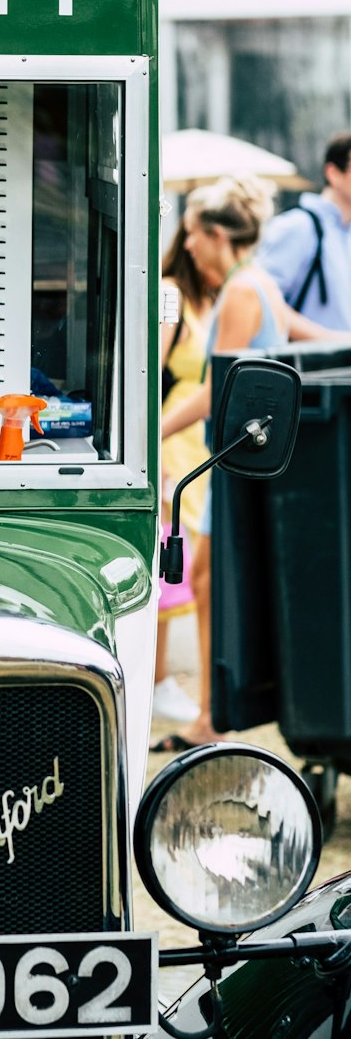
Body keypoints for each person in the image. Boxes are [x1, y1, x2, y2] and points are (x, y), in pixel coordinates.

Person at [154, 176, 332, 751]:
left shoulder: (240, 291)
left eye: (193, 236)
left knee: (206, 580)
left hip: (229, 457)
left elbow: (217, 386)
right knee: (209, 580)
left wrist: (153, 432)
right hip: (246, 456)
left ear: (215, 234)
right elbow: (311, 337)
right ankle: (215, 710)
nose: (189, 248)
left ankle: (213, 715)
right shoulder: (257, 283)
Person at [152, 223, 213, 723]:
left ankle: (162, 679)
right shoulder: (172, 294)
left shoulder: (215, 299)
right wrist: (155, 447)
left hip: (201, 440)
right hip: (173, 434)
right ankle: (156, 679)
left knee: (189, 560)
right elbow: (151, 369)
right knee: (173, 558)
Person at [257, 131, 351, 331]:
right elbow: (259, 302)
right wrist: (328, 342)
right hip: (307, 361)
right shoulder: (298, 227)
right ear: (333, 173)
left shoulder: (345, 233)